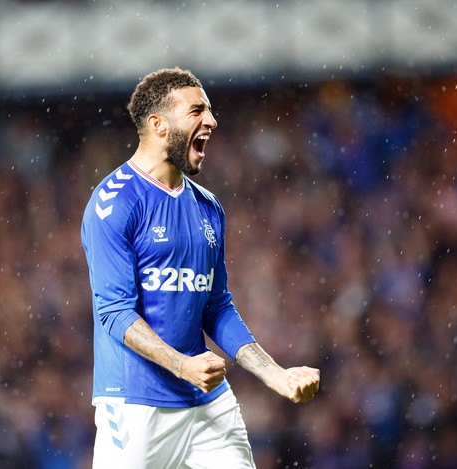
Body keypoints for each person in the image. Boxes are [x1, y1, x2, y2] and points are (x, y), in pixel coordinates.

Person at [81, 67, 320, 468]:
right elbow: (114, 312)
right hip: (136, 403)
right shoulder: (113, 203)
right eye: (197, 111)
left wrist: (275, 375)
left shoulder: (207, 206)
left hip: (207, 399)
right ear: (158, 124)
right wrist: (181, 365)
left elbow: (216, 307)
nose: (211, 121)